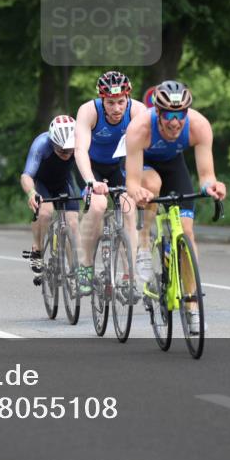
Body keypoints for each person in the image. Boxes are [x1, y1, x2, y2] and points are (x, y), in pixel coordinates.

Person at [124, 80, 227, 334]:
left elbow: (206, 176)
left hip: (173, 166)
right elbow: (132, 182)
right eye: (168, 115)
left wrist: (212, 187)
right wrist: (137, 192)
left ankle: (192, 306)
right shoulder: (139, 128)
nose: (174, 122)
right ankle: (144, 243)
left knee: (187, 233)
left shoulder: (199, 126)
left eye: (180, 115)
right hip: (143, 166)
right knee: (153, 184)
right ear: (157, 112)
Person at [73, 71, 145, 297]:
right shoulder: (88, 111)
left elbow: (144, 150)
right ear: (101, 99)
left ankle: (129, 275)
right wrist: (91, 182)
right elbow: (80, 150)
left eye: (121, 102)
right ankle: (85, 267)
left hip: (119, 167)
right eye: (110, 103)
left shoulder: (138, 111)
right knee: (97, 206)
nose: (116, 108)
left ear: (128, 98)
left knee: (129, 208)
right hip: (91, 167)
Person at [21, 115, 81, 286]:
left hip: (63, 183)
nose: (66, 154)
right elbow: (26, 175)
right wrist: (31, 193)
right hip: (42, 183)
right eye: (61, 150)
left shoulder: (79, 142)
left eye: (70, 150)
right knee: (45, 213)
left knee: (73, 223)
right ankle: (37, 249)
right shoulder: (41, 144)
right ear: (53, 142)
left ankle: (74, 270)